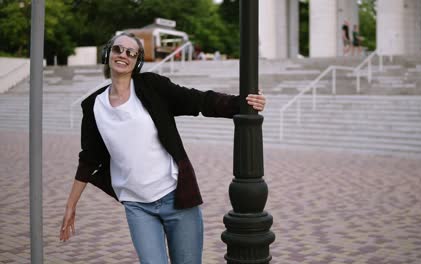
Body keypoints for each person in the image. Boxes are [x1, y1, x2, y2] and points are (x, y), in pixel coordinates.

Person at [59, 32, 266, 264]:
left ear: (137, 61)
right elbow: (89, 158)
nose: (123, 55)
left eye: (131, 52)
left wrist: (240, 103)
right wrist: (71, 206)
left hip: (177, 198)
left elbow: (196, 100)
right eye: (118, 49)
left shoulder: (151, 86)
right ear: (108, 54)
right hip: (137, 206)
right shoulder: (93, 106)